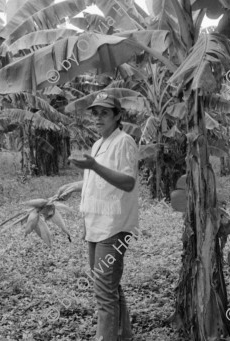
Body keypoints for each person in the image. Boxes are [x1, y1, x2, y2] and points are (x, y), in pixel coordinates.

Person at [56, 92, 139, 341]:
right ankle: (124, 335)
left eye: (104, 112)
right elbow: (101, 181)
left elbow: (127, 182)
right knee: (108, 286)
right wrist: (75, 185)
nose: (98, 117)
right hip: (96, 224)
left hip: (114, 228)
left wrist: (93, 166)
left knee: (104, 293)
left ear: (117, 116)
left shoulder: (124, 141)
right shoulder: (99, 144)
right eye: (95, 113)